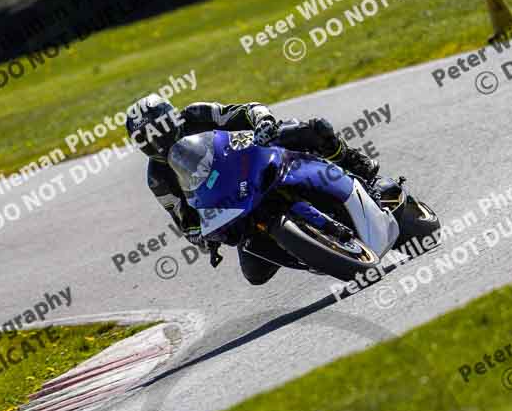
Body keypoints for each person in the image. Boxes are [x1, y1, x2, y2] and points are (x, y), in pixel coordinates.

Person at [125, 93, 379, 285]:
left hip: (256, 154)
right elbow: (184, 219)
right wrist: (200, 236)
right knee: (254, 274)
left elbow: (247, 110)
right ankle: (308, 249)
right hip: (234, 202)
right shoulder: (158, 178)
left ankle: (355, 164)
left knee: (313, 131)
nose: (157, 141)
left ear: (171, 117)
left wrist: (264, 122)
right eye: (148, 139)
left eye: (159, 131)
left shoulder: (196, 114)